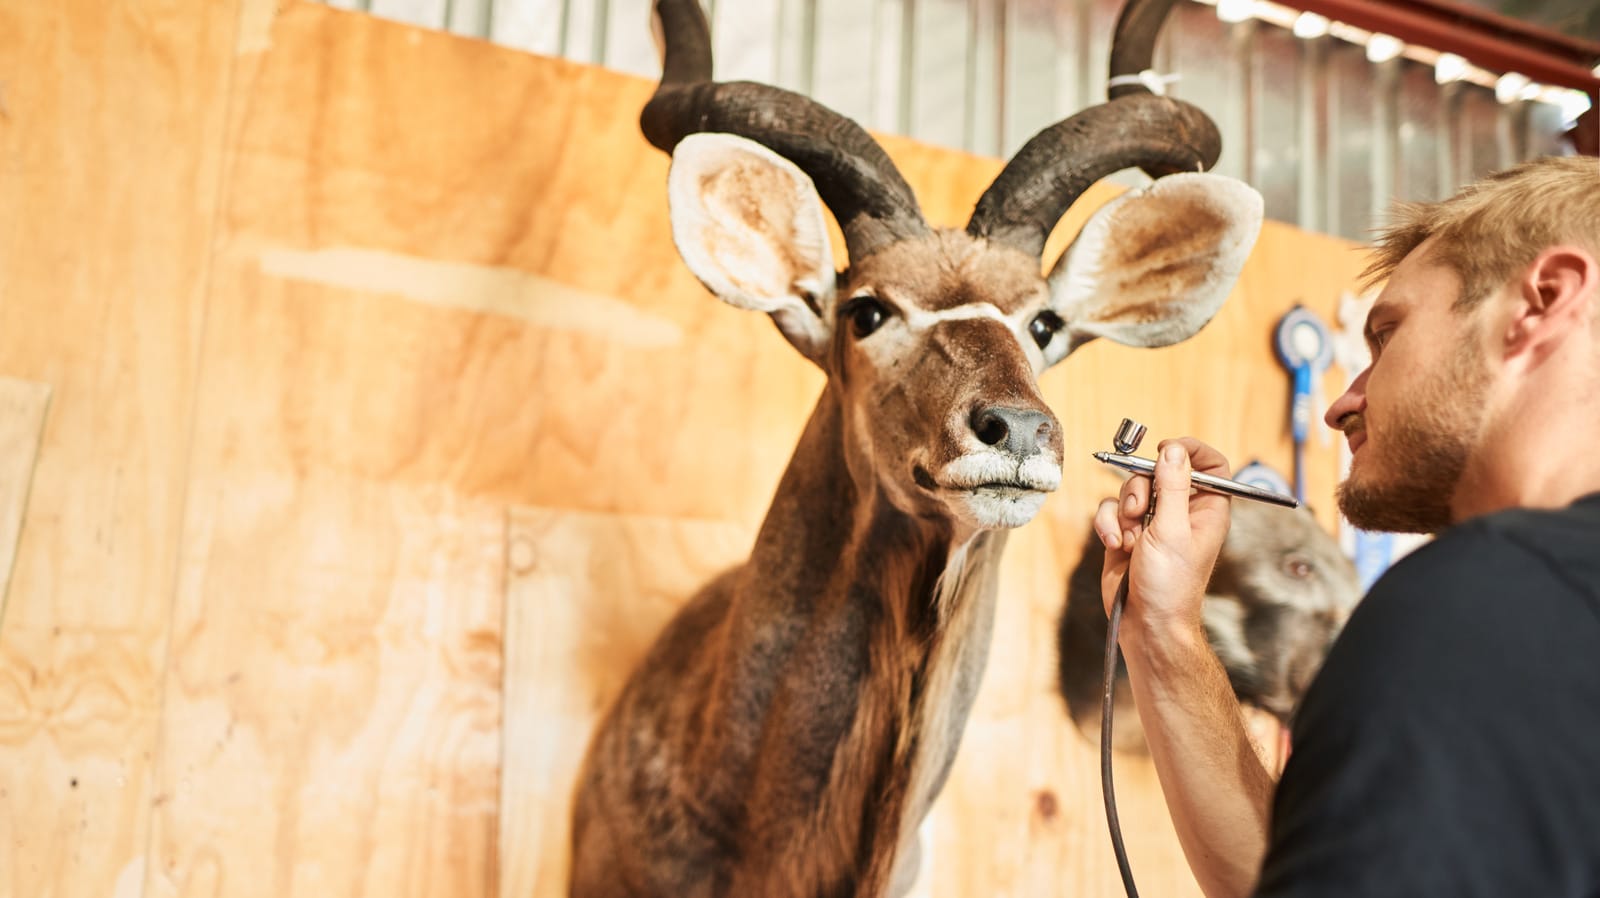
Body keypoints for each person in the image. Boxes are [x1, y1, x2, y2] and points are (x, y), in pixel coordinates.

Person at [1094, 154, 1600, 897]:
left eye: (1387, 336)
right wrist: (1162, 631)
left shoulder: (1484, 608)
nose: (1342, 403)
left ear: (1541, 301)